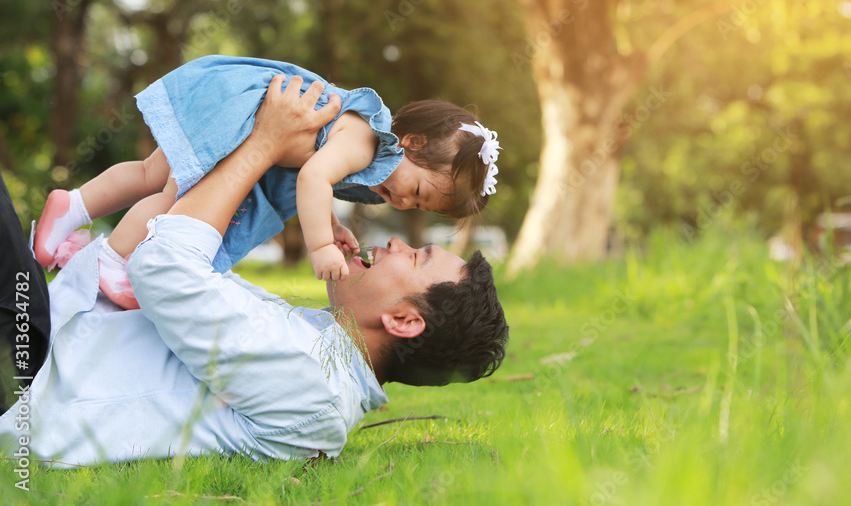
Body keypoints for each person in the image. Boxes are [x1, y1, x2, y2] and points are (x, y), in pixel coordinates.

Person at [0, 75, 509, 466]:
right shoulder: (317, 346)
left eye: (417, 258)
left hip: (27, 375)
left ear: (404, 321)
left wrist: (265, 141)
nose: (399, 241)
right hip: (42, 333)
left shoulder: (314, 383)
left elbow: (163, 265)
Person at [32, 54, 502, 309]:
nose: (402, 202)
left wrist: (331, 228)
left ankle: (70, 207)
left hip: (233, 104)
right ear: (411, 142)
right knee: (173, 198)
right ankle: (113, 262)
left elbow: (311, 182)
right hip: (249, 118)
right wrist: (319, 246)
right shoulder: (365, 139)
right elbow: (314, 176)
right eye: (417, 191)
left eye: (417, 207)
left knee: (150, 174)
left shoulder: (368, 152)